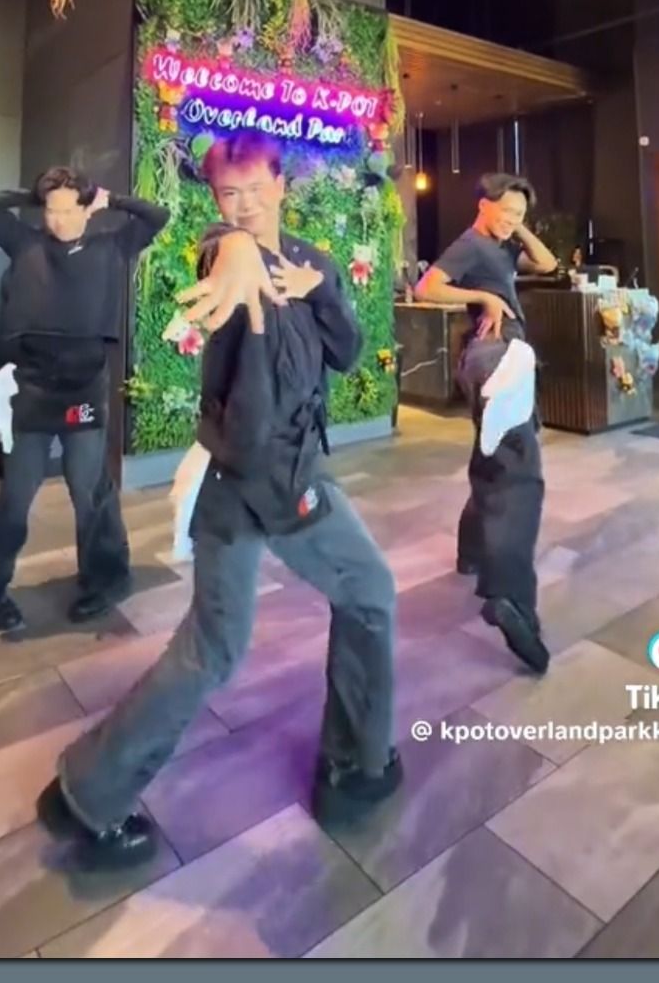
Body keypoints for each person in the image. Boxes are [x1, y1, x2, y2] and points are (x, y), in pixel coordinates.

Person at [37, 134, 401, 870]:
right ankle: (356, 768)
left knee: (215, 647)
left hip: (264, 476)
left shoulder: (313, 260)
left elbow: (349, 353)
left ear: (280, 184)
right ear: (215, 201)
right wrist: (235, 251)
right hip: (270, 481)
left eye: (255, 187)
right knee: (367, 593)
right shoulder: (222, 250)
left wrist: (322, 290)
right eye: (227, 193)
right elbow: (220, 252)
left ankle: (86, 790)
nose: (244, 204)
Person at [0, 168, 171, 632]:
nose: (57, 219)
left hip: (84, 389)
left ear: (85, 208)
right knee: (16, 494)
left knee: (90, 490)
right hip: (32, 389)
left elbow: (158, 215)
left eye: (66, 209)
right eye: (50, 210)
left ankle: (106, 581)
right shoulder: (25, 243)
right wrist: (33, 195)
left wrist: (109, 198)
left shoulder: (111, 247)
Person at [415, 174, 557, 674]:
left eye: (519, 214)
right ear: (483, 206)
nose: (512, 221)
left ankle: (471, 551)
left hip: (507, 354)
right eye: (506, 212)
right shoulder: (471, 244)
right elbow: (427, 287)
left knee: (496, 456)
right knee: (519, 465)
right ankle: (511, 596)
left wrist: (519, 230)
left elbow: (548, 263)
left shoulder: (498, 249)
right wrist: (484, 300)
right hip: (492, 351)